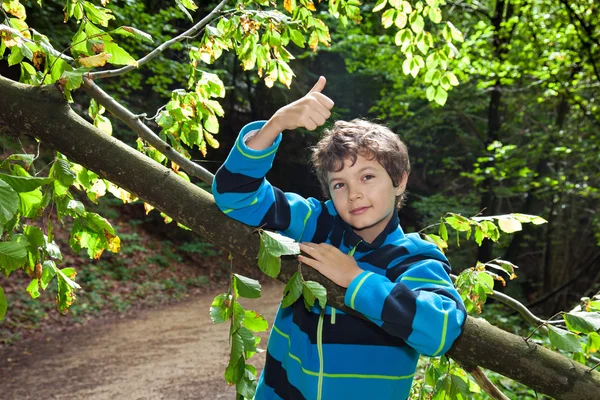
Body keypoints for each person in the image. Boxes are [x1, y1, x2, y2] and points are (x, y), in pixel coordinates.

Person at [212, 76, 467, 400]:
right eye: (339, 184)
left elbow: (441, 330)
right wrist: (275, 125)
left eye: (368, 176)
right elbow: (235, 196)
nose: (355, 194)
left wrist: (355, 279)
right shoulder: (317, 223)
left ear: (400, 181)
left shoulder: (414, 258)